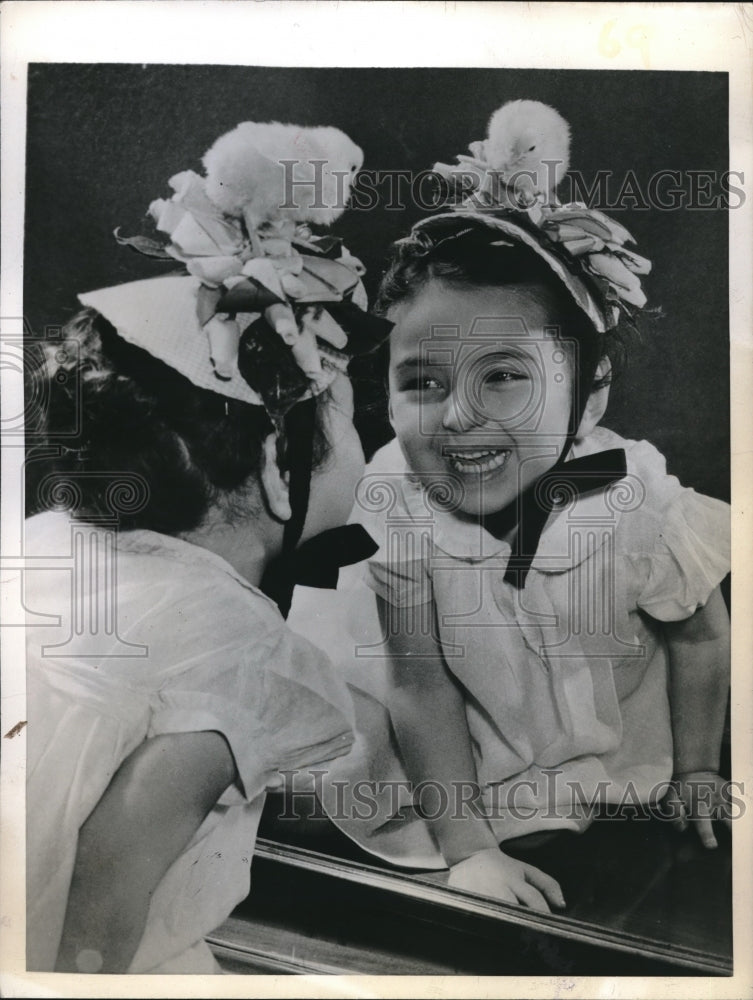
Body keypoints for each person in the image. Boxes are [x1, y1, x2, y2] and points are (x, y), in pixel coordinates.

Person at [291, 107, 732, 914]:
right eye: (421, 383)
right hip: (446, 736)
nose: (458, 417)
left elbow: (701, 635)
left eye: (502, 377)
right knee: (316, 798)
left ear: (588, 393)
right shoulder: (399, 494)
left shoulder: (635, 496)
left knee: (603, 861)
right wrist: (467, 852)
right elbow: (419, 685)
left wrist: (698, 767)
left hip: (588, 740)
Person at [23, 126, 389, 974]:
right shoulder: (228, 643)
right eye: (346, 424)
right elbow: (95, 912)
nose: (366, 447)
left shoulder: (48, 550)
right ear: (275, 468)